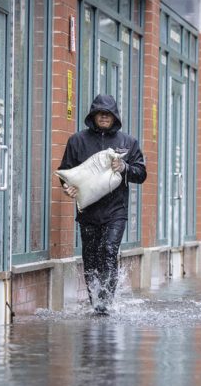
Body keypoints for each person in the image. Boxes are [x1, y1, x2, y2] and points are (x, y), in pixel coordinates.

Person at [58, 94, 147, 314]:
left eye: (108, 113)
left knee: (108, 250)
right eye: (100, 113)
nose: (104, 117)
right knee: (90, 257)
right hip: (88, 211)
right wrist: (67, 187)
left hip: (116, 210)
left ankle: (107, 302)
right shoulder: (77, 141)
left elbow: (141, 174)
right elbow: (66, 172)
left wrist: (125, 168)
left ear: (114, 116)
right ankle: (94, 303)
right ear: (93, 115)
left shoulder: (128, 142)